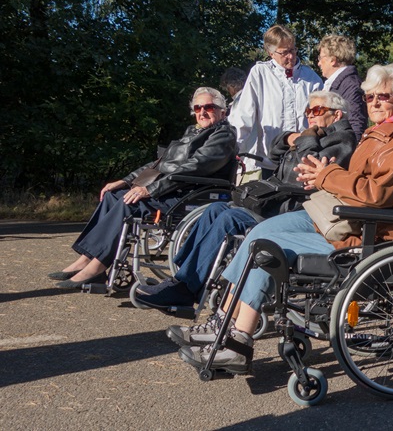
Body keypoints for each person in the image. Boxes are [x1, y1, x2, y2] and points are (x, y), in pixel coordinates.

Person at [169, 64, 393, 374]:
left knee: (266, 245)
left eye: (382, 96)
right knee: (261, 230)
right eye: (369, 96)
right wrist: (321, 175)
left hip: (369, 232)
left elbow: (377, 194)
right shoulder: (382, 131)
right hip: (343, 216)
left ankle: (237, 339)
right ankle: (222, 323)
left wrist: (327, 175)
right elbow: (360, 181)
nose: (373, 102)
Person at [132, 91, 357, 309]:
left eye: (317, 109)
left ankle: (186, 289)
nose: (310, 115)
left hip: (295, 205)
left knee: (229, 218)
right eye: (308, 110)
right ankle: (184, 276)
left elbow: (312, 165)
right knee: (214, 210)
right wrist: (291, 137)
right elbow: (274, 152)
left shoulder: (342, 139)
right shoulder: (315, 134)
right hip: (277, 199)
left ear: (336, 114)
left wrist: (306, 140)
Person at [49, 88, 237, 288]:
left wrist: (150, 189)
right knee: (114, 194)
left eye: (208, 107)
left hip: (190, 192)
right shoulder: (193, 132)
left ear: (222, 111)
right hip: (173, 187)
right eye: (198, 107)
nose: (202, 112)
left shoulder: (223, 135)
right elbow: (159, 164)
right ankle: (87, 258)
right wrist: (126, 180)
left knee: (128, 202)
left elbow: (195, 168)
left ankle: (98, 265)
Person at [230, 25, 323, 180]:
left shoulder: (312, 79)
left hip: (302, 159)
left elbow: (322, 120)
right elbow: (244, 116)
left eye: (293, 50)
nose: (291, 56)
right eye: (284, 52)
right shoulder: (260, 73)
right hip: (270, 160)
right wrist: (233, 150)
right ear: (270, 52)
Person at [317, 34, 367, 141]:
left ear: (333, 60)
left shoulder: (350, 85)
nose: (319, 63)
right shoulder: (338, 84)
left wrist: (348, 154)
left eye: (321, 58)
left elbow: (357, 124)